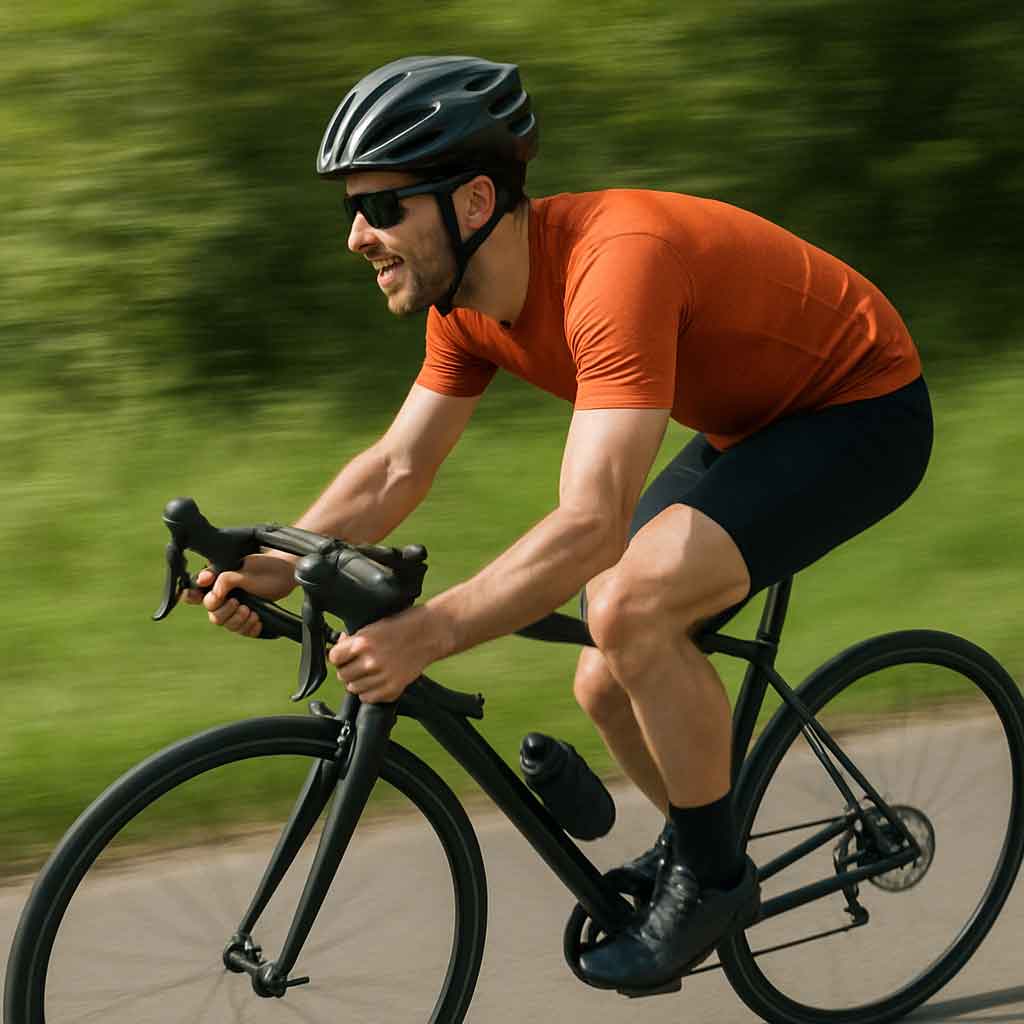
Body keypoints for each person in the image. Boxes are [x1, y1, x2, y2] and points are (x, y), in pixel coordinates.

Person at [185, 55, 933, 994]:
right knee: (603, 673)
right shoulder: (465, 306)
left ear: (472, 201)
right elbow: (397, 464)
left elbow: (590, 524)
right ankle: (698, 844)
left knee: (628, 609)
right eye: (352, 211)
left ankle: (712, 881)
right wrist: (275, 561)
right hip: (753, 420)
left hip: (862, 408)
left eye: (380, 210)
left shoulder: (613, 269)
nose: (358, 238)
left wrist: (427, 633)